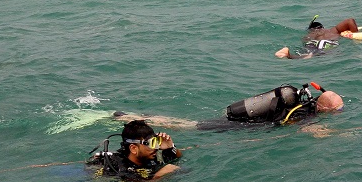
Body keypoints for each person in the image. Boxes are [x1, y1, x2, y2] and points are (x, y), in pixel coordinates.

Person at [112, 83, 344, 131]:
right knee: (192, 126)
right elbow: (312, 132)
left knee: (194, 123)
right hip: (246, 124)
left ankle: (140, 117)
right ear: (325, 109)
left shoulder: (306, 101)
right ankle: (130, 118)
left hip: (248, 117)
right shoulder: (307, 115)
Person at [88, 119, 183, 181]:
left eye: (156, 141)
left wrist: (171, 147)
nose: (156, 147)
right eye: (151, 143)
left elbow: (177, 158)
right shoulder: (120, 167)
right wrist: (158, 175)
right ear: (133, 148)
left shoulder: (151, 155)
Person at [275, 17, 359, 59]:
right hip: (328, 43)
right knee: (318, 54)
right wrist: (355, 34)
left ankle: (289, 55)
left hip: (312, 43)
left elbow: (305, 44)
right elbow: (350, 21)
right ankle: (290, 55)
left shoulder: (308, 35)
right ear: (322, 27)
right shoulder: (332, 30)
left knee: (306, 54)